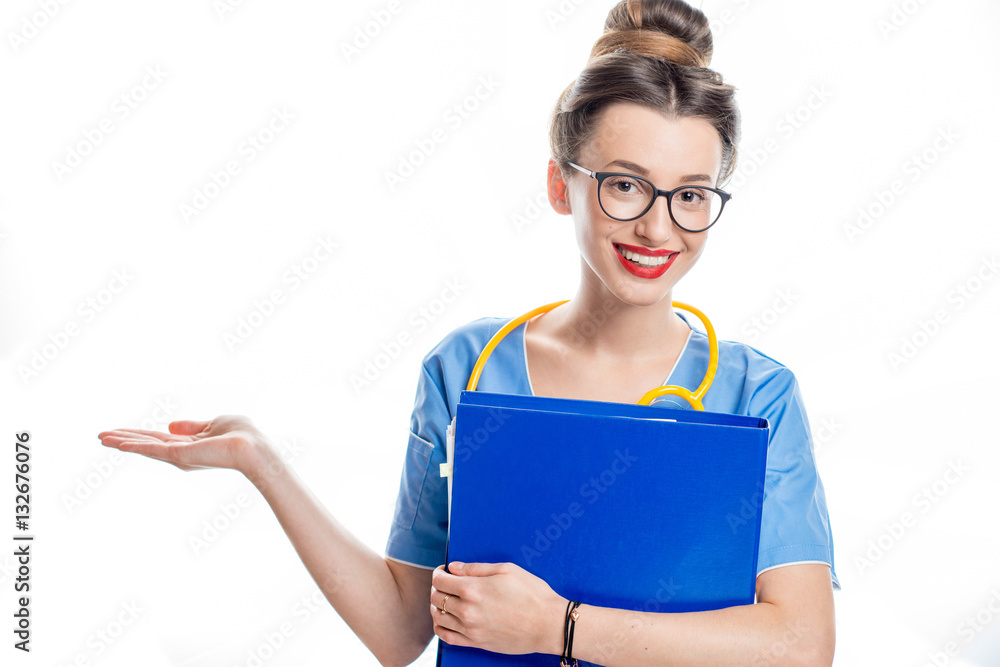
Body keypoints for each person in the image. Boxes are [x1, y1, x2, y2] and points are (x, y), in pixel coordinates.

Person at [98, 1, 838, 665]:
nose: (657, 225)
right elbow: (400, 629)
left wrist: (560, 627)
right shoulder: (467, 369)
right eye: (624, 184)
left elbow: (801, 646)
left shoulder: (757, 392)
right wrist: (262, 464)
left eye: (691, 196)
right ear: (562, 183)